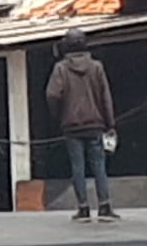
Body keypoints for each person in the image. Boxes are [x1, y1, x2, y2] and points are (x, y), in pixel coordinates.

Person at [46, 27, 119, 223]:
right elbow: (106, 97)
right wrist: (110, 122)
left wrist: (59, 114)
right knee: (99, 166)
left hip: (71, 126)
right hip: (95, 124)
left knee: (77, 167)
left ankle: (83, 209)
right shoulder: (97, 67)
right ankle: (104, 207)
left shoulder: (60, 69)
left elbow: (52, 95)